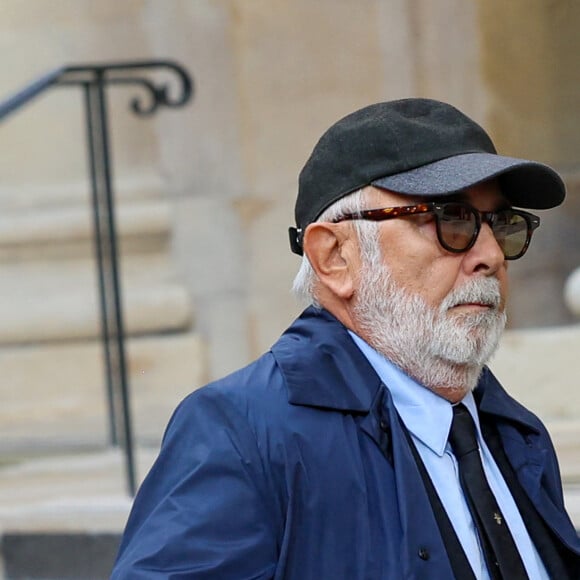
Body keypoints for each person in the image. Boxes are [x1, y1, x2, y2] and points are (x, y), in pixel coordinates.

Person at [111, 98, 580, 579]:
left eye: (500, 224)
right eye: (450, 219)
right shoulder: (242, 433)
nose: (490, 255)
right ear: (334, 256)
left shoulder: (513, 432)